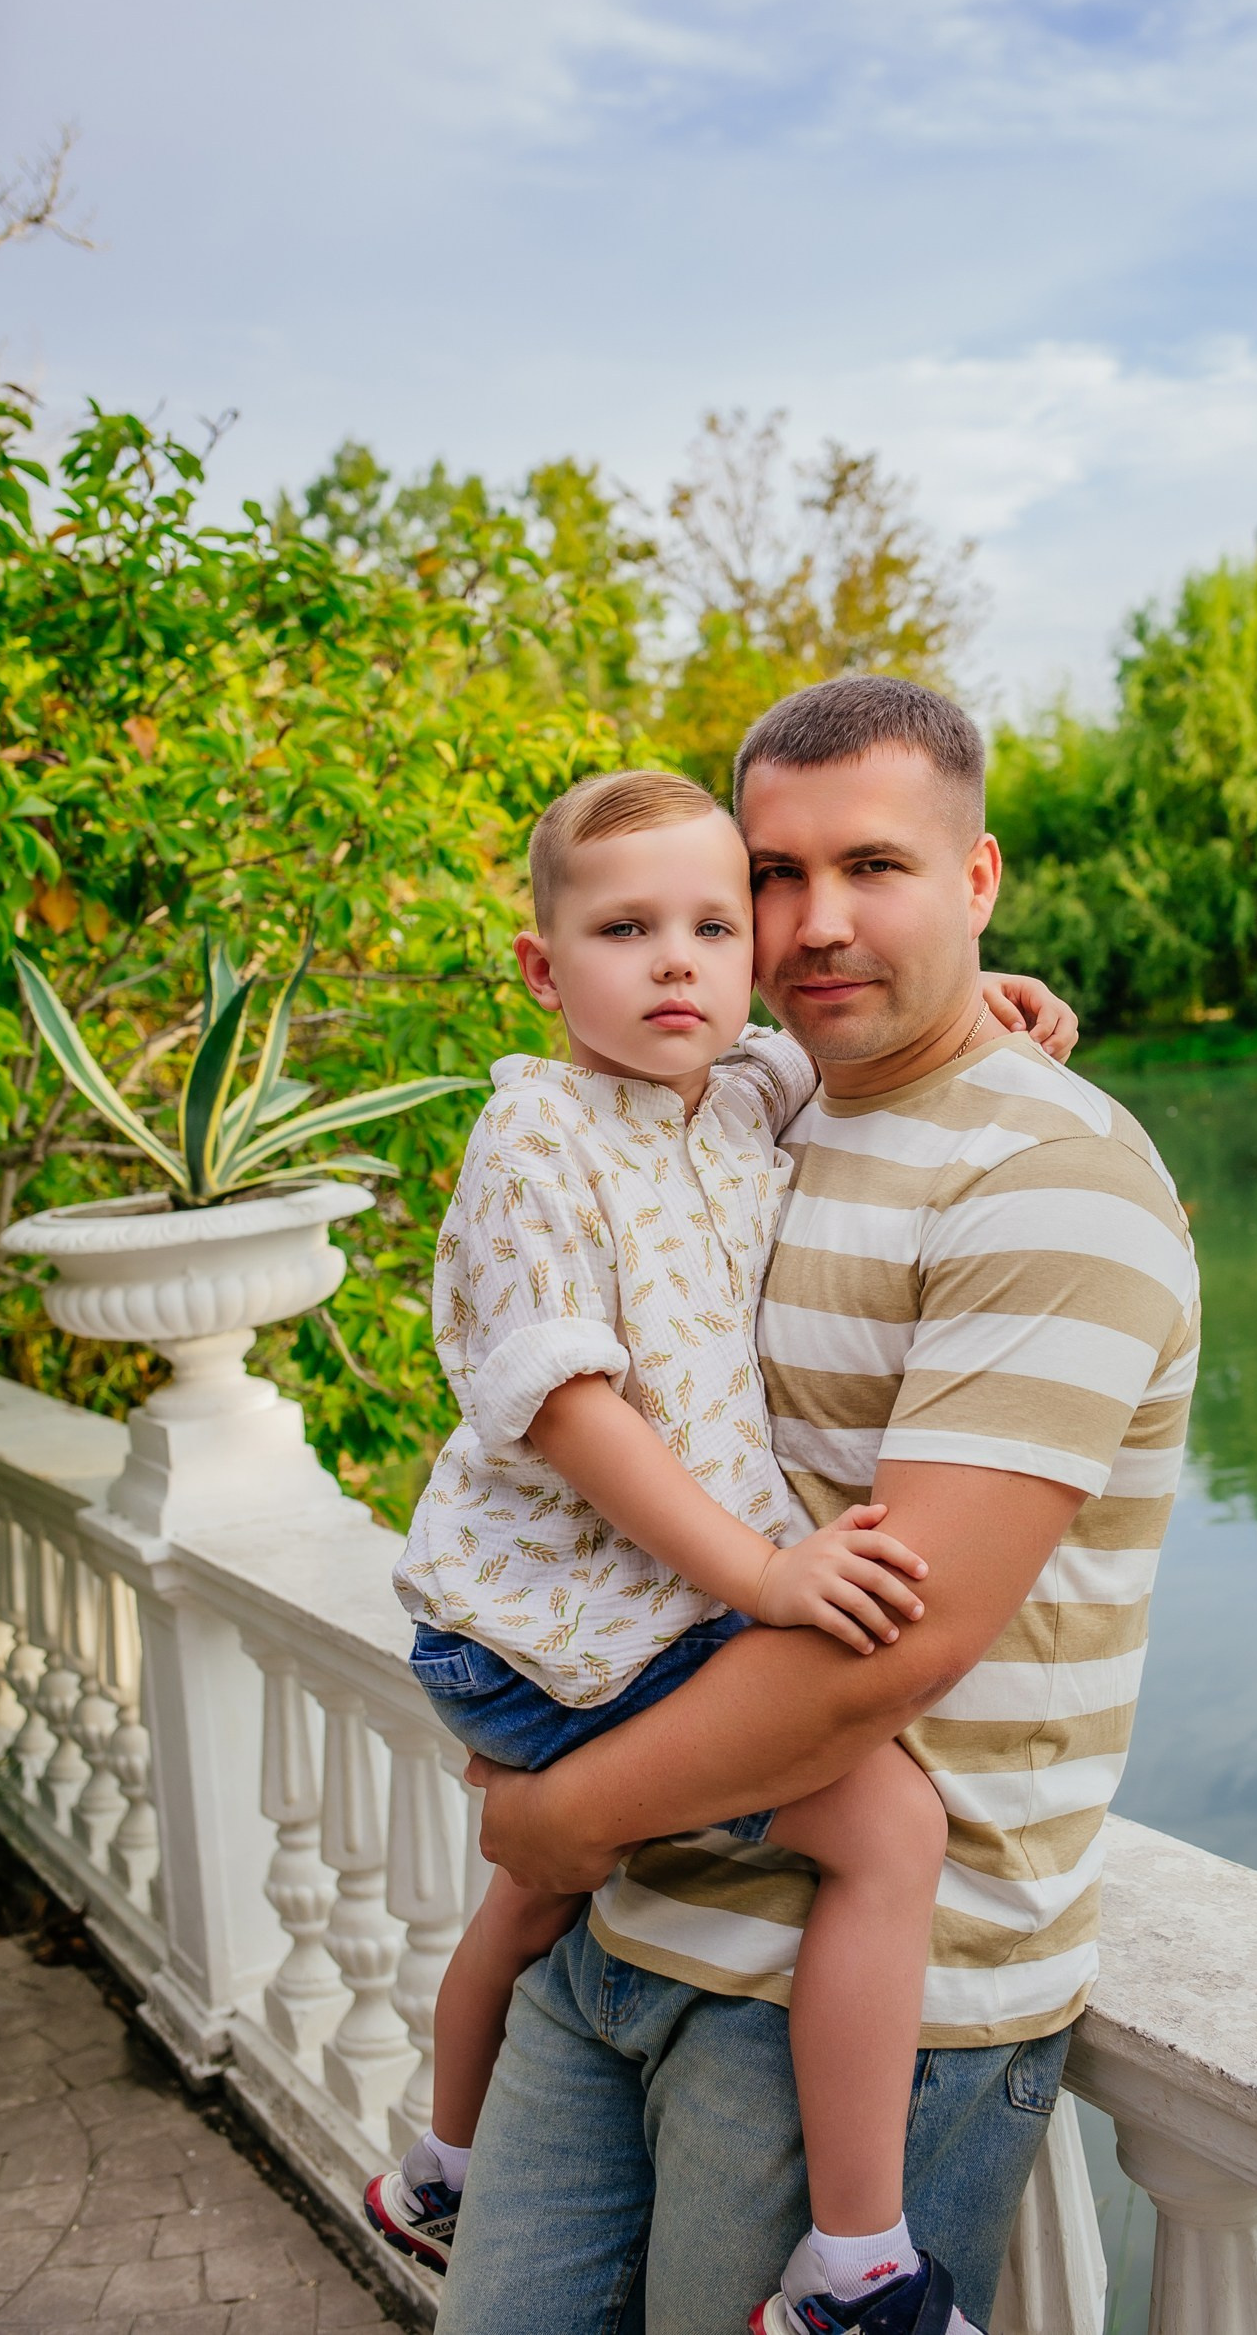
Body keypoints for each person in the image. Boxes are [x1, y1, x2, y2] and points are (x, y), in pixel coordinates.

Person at [434, 678, 1202, 2335]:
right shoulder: (737, 1114)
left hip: (850, 2017)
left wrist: (566, 1821)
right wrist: (591, 1855)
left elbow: (890, 1651)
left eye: (878, 867)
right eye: (773, 876)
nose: (813, 922)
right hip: (623, 1934)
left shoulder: (1048, 1181)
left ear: (980, 876)